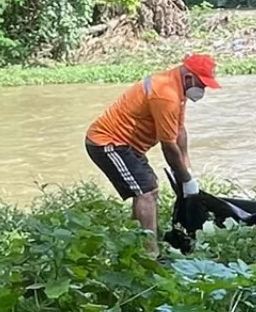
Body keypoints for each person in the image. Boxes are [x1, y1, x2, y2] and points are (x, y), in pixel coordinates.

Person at [86, 54, 221, 253]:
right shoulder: (165, 94)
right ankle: (151, 254)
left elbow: (179, 132)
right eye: (202, 84)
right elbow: (168, 146)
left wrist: (188, 171)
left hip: (131, 146)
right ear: (189, 77)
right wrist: (184, 178)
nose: (203, 90)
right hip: (108, 143)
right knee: (146, 192)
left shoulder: (176, 87)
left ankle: (137, 240)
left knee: (149, 189)